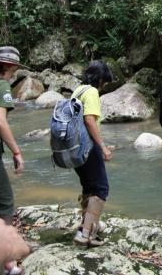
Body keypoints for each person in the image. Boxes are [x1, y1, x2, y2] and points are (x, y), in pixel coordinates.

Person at [0, 46, 29, 274]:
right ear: (9, 67)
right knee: (4, 203)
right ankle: (7, 262)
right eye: (15, 67)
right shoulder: (0, 84)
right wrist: (16, 151)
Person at [72, 61, 113, 247]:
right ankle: (86, 234)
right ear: (101, 80)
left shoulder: (78, 90)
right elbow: (89, 120)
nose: (104, 86)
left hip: (74, 147)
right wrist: (103, 146)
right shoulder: (92, 92)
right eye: (105, 82)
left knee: (89, 187)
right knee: (101, 188)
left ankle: (86, 224)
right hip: (87, 146)